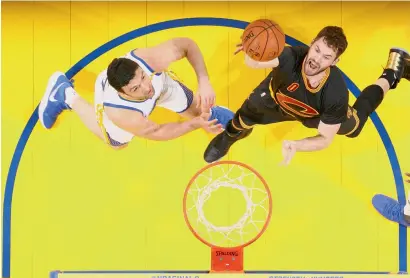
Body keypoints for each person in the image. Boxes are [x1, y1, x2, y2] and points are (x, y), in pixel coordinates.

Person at [203, 26, 410, 164]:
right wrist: (252, 52)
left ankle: (391, 74)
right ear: (312, 43)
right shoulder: (290, 56)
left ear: (335, 62)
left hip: (314, 116)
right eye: (317, 50)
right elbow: (256, 63)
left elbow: (325, 139)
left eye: (326, 57)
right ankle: (228, 137)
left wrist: (298, 145)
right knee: (243, 117)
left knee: (356, 125)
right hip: (275, 98)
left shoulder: (335, 94)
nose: (316, 59)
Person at [38, 37, 234, 149]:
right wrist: (193, 125)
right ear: (123, 92)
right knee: (118, 143)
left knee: (200, 111)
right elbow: (157, 131)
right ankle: (65, 94)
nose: (145, 87)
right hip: (127, 108)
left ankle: (210, 117)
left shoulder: (149, 61)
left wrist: (204, 81)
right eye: (135, 88)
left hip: (162, 86)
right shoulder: (121, 113)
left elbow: (187, 45)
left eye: (142, 77)